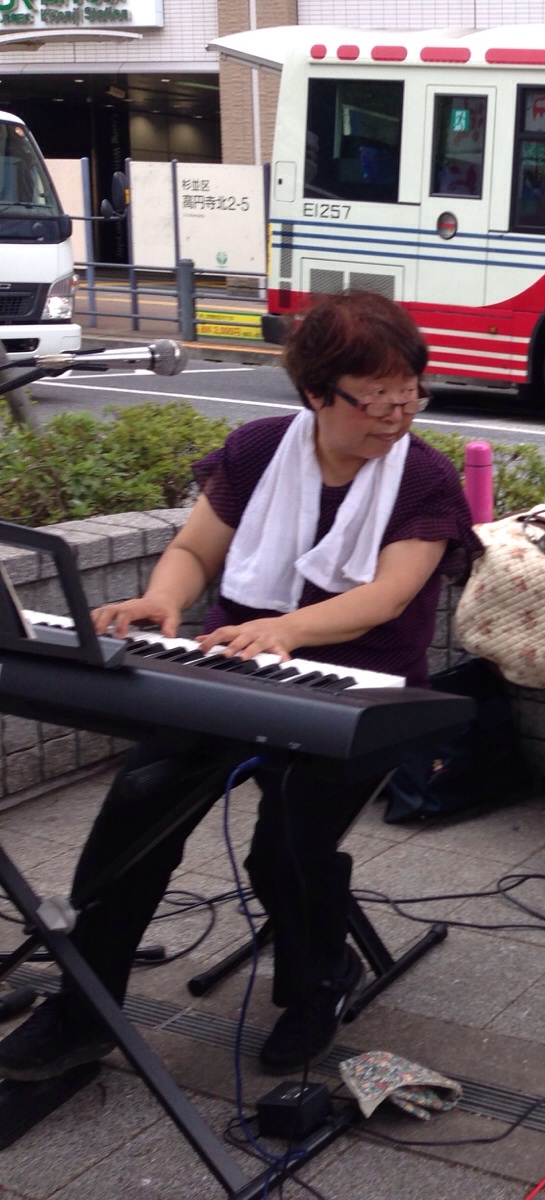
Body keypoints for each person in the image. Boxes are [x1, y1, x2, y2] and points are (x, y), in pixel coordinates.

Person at [0, 291, 479, 1080]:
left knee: (285, 842)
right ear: (318, 393)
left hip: (365, 692)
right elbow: (195, 551)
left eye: (410, 393)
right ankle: (83, 1010)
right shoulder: (258, 450)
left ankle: (319, 983)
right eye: (377, 397)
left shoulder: (423, 476)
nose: (398, 414)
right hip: (235, 667)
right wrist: (164, 598)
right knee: (138, 808)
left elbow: (390, 595)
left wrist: (287, 630)